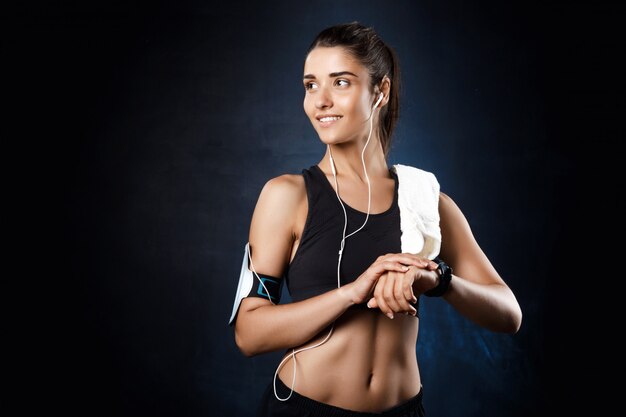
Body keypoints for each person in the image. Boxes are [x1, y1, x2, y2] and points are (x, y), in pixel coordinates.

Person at [229, 21, 522, 417]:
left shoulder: (426, 201)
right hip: (306, 408)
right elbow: (249, 333)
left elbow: (508, 313)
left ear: (380, 92)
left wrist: (438, 279)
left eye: (341, 82)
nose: (321, 101)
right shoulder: (288, 196)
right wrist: (353, 291)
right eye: (310, 85)